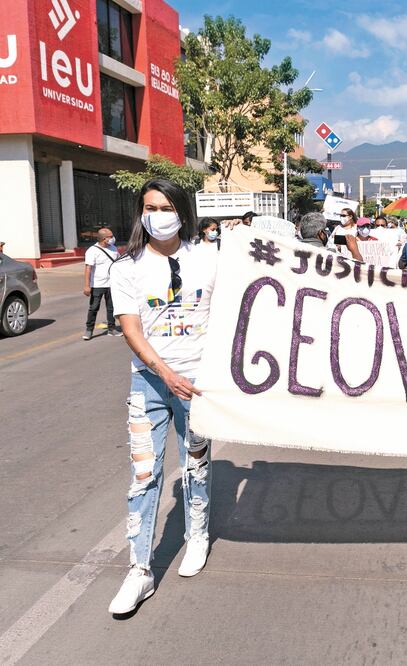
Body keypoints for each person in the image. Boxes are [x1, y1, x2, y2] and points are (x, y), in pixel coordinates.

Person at [108, 178, 228, 614]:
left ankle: (197, 536)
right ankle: (140, 569)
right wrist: (165, 373)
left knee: (196, 464)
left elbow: (235, 312)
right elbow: (130, 329)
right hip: (150, 382)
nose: (157, 216)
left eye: (166, 207)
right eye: (150, 208)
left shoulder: (210, 259)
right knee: (144, 474)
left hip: (198, 383)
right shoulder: (126, 267)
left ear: (182, 211)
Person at [83, 227, 122, 340]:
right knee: (94, 308)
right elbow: (88, 268)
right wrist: (87, 285)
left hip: (111, 284)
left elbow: (119, 263)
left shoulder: (113, 248)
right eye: (111, 236)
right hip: (97, 285)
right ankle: (89, 330)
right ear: (104, 239)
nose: (113, 238)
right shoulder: (92, 251)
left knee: (111, 307)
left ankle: (111, 328)